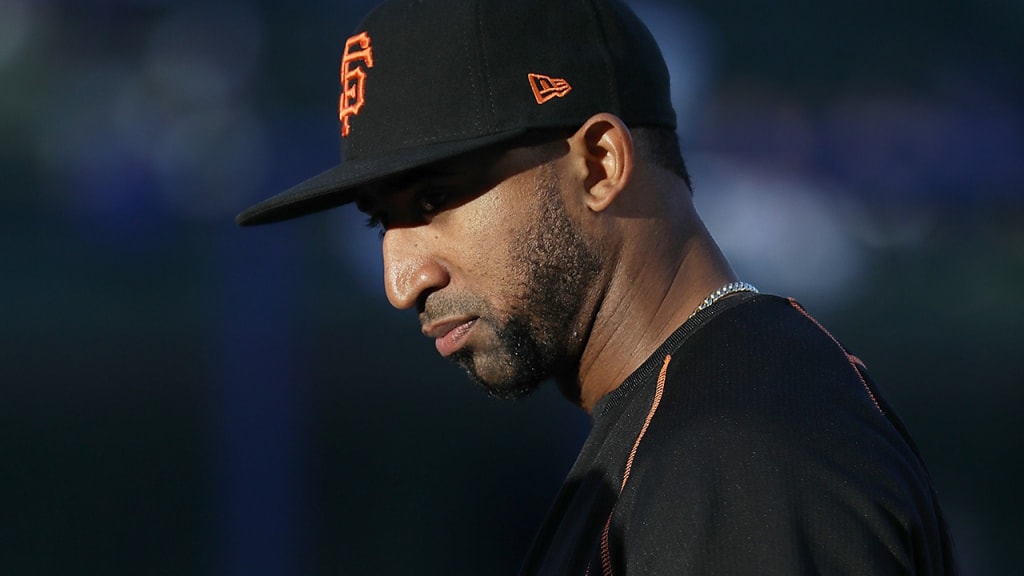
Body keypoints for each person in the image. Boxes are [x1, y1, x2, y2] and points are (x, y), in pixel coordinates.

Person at [238, 0, 958, 573]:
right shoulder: (704, 420)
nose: (403, 280)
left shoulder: (735, 455)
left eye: (433, 202)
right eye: (381, 223)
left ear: (601, 164)